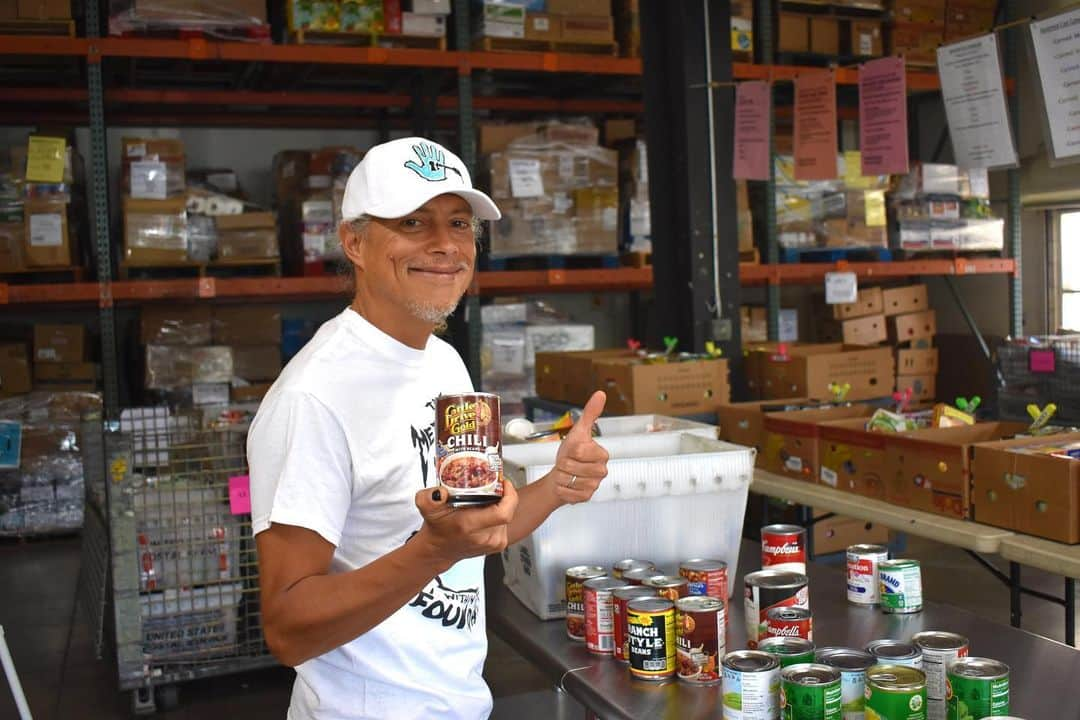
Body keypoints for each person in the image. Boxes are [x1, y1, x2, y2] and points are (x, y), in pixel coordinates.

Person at [247, 136, 610, 720]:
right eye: (413, 222)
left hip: (459, 701)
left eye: (460, 223)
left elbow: (473, 531)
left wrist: (557, 486)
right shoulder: (313, 397)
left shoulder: (443, 362)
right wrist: (430, 553)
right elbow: (288, 628)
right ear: (355, 243)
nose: (445, 245)